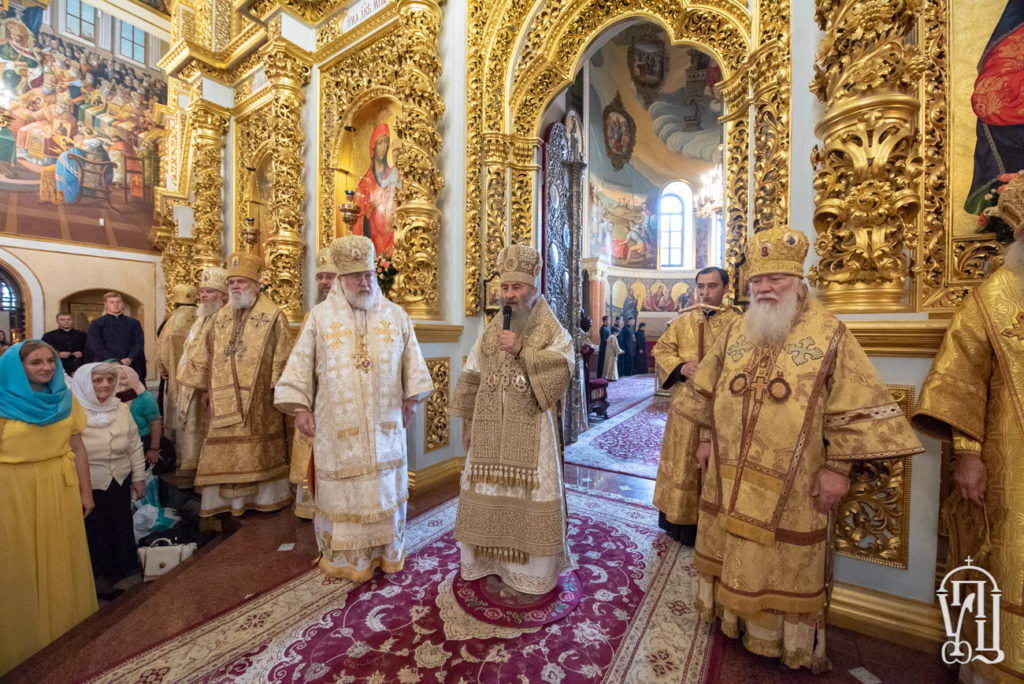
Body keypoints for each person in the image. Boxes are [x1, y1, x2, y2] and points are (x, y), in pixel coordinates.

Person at [675, 227, 923, 672]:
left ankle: (776, 639)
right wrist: (707, 440)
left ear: (798, 281)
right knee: (730, 541)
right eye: (758, 281)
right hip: (727, 471)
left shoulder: (829, 333)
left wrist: (837, 469)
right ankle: (731, 618)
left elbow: (855, 404)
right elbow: (707, 389)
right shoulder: (736, 330)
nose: (766, 288)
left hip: (793, 483)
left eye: (776, 279)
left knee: (780, 558)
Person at [275, 235, 434, 579]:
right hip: (337, 427)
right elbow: (300, 366)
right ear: (340, 280)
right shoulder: (319, 318)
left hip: (386, 423)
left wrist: (412, 397)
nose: (364, 282)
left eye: (368, 275)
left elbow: (413, 362)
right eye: (355, 277)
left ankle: (387, 551)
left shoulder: (396, 315)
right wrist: (301, 408)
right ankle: (347, 560)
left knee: (384, 489)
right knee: (344, 492)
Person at [911, 209, 1024, 682]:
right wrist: (969, 453)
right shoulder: (995, 296)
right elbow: (961, 379)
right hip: (1012, 461)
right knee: (1007, 555)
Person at [450, 244, 575, 595]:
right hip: (489, 434)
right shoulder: (492, 328)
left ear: (532, 288)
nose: (510, 295)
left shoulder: (550, 326)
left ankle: (532, 575)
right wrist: (469, 425)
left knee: (529, 495)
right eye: (505, 289)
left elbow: (565, 364)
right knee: (485, 492)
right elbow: (473, 374)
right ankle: (489, 563)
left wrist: (523, 350)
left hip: (532, 431)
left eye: (516, 288)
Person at [0, 341, 96, 677]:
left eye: (50, 361)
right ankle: (21, 647)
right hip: (11, 492)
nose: (46, 368)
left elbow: (78, 447)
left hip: (58, 486)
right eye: (35, 363)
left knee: (60, 556)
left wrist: (86, 491)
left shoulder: (65, 400)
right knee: (18, 563)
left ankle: (65, 636)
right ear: (16, 367)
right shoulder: (1, 401)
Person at [177, 251, 293, 517]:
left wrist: (278, 390)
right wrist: (205, 388)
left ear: (256, 284)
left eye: (241, 282)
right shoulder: (220, 317)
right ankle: (226, 503)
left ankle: (262, 499)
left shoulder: (273, 315)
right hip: (221, 397)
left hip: (260, 402)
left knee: (258, 451)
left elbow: (283, 356)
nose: (236, 287)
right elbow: (207, 352)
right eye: (231, 283)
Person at [652, 267, 739, 546]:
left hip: (721, 409)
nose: (704, 292)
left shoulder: (738, 324)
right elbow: (662, 349)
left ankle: (712, 525)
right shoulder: (683, 322)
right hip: (685, 408)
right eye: (700, 286)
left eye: (712, 286)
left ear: (726, 288)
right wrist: (681, 367)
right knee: (682, 463)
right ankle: (677, 522)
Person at [71, 362, 145, 600]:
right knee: (95, 531)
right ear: (84, 383)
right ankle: (97, 578)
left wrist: (139, 477)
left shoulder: (121, 408)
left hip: (119, 478)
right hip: (88, 483)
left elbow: (134, 445)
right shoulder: (73, 411)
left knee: (120, 524)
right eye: (97, 380)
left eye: (109, 380)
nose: (105, 385)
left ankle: (119, 571)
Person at [289, 246, 341, 520]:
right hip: (317, 399)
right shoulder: (313, 315)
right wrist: (300, 404)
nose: (324, 282)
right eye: (320, 277)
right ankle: (312, 507)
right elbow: (300, 363)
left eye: (330, 276)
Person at [173, 267, 228, 475]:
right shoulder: (201, 317)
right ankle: (192, 465)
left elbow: (219, 357)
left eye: (210, 291)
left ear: (223, 296)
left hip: (207, 385)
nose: (204, 295)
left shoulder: (223, 319)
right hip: (191, 382)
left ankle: (203, 467)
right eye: (202, 291)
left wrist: (208, 386)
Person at [155, 284, 197, 440]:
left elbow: (161, 352)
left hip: (175, 379)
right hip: (199, 381)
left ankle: (178, 451)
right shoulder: (203, 318)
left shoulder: (170, 323)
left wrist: (164, 371)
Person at [354, 123, 401, 256]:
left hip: (393, 241)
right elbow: (358, 220)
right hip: (374, 242)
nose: (383, 147)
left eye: (386, 143)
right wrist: (371, 208)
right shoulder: (365, 184)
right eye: (380, 143)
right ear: (373, 147)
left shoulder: (394, 174)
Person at [86, 291, 146, 382]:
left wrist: (129, 358)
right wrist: (115, 361)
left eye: (118, 302)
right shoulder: (97, 323)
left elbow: (139, 343)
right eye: (112, 302)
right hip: (106, 364)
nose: (116, 305)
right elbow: (95, 345)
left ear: (122, 304)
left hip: (131, 364)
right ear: (105, 305)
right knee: (109, 392)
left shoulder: (134, 323)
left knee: (131, 394)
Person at [116, 365, 162, 470]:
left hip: (142, 443)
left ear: (132, 377)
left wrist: (154, 448)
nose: (119, 382)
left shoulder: (145, 397)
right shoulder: (111, 397)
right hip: (120, 446)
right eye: (115, 379)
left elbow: (155, 422)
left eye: (123, 378)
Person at [596, 314, 611, 379]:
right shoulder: (602, 328)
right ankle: (599, 376)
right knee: (602, 361)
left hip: (608, 347)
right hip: (603, 347)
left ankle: (605, 375)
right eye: (608, 320)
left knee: (606, 362)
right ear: (605, 321)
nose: (609, 321)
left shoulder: (608, 328)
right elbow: (604, 339)